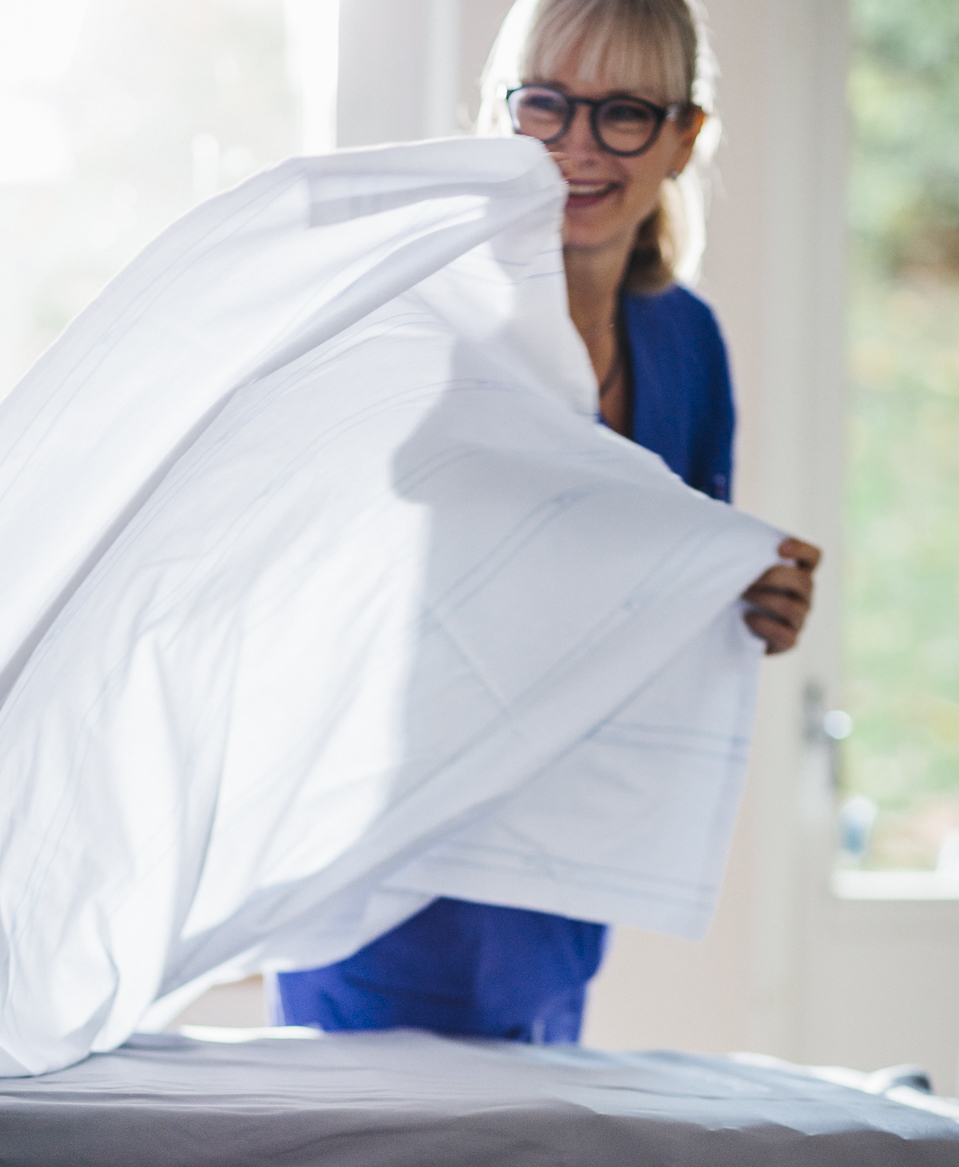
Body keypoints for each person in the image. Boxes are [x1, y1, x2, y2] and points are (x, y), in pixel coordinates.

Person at [275, 0, 821, 1047]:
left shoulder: (685, 345)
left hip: (557, 883)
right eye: (546, 105)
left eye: (621, 112)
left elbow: (671, 583)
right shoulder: (425, 322)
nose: (576, 145)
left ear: (682, 136)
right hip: (383, 866)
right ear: (499, 112)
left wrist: (756, 600)